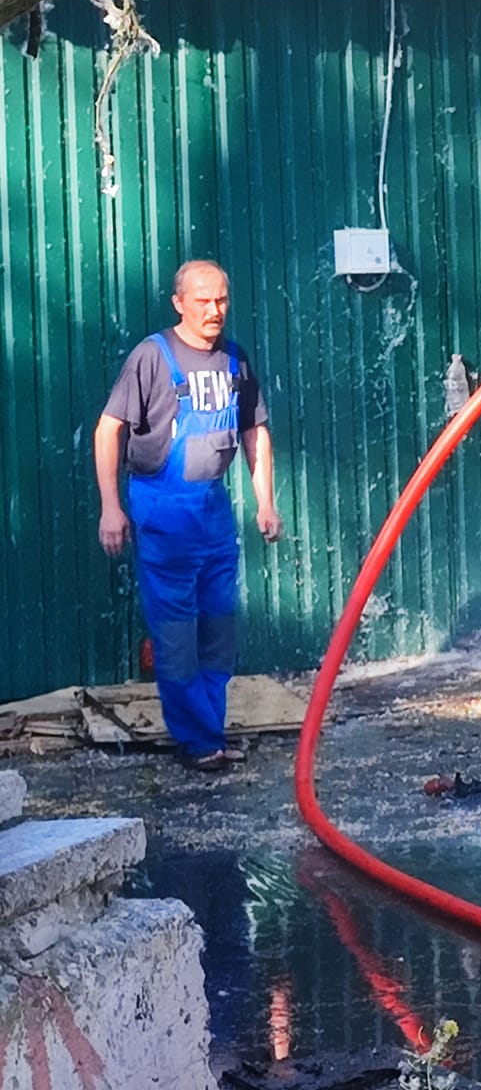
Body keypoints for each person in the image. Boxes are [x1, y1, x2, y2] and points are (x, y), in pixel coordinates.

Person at [94, 260, 283, 771]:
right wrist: (112, 508)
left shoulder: (234, 359)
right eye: (202, 301)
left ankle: (210, 731)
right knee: (176, 635)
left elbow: (254, 432)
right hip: (163, 510)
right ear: (179, 303)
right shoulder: (151, 358)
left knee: (219, 633)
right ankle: (199, 743)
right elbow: (107, 429)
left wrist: (264, 501)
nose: (213, 310)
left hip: (214, 513)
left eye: (221, 299)